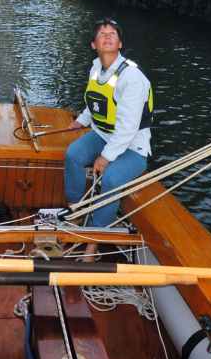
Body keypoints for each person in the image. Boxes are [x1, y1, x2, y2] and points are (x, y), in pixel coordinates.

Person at [64, 17, 154, 229]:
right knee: (73, 155)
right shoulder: (96, 68)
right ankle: (75, 210)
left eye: (112, 33)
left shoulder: (131, 77)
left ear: (120, 44)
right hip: (103, 135)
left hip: (133, 146)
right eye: (102, 33)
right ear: (93, 45)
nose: (107, 35)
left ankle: (94, 240)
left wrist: (105, 157)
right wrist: (81, 121)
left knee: (111, 180)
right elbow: (95, 102)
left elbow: (127, 128)